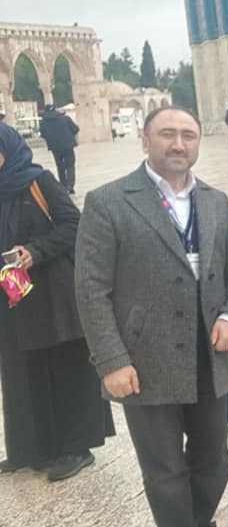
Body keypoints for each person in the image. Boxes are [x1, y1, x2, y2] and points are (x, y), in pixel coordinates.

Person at [75, 106, 228, 526]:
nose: (178, 144)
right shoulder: (108, 202)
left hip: (207, 353)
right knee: (165, 472)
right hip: (145, 360)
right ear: (144, 141)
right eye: (167, 134)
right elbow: (91, 289)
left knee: (215, 460)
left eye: (188, 135)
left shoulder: (214, 201)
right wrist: (112, 361)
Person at [0, 124, 114, 481]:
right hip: (12, 294)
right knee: (22, 371)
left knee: (65, 366)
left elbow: (74, 224)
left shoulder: (38, 182)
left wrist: (35, 251)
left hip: (51, 292)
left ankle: (77, 447)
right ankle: (30, 448)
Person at [38, 104, 79, 194]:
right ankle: (70, 186)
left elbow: (43, 135)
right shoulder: (65, 119)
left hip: (55, 147)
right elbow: (76, 129)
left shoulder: (43, 122)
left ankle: (63, 186)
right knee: (70, 166)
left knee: (60, 166)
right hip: (68, 146)